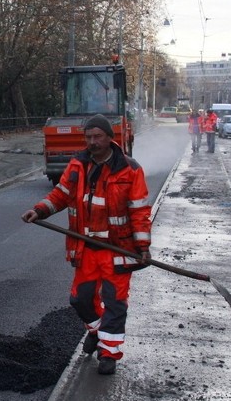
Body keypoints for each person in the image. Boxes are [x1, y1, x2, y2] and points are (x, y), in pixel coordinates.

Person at [21, 114, 152, 375]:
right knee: (80, 300)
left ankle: (108, 355)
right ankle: (95, 330)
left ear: (109, 138)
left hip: (118, 250)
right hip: (86, 249)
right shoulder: (78, 165)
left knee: (115, 304)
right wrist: (40, 210)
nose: (92, 142)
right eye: (88, 137)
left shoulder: (130, 169)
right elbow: (61, 194)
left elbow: (139, 211)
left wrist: (143, 247)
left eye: (97, 137)